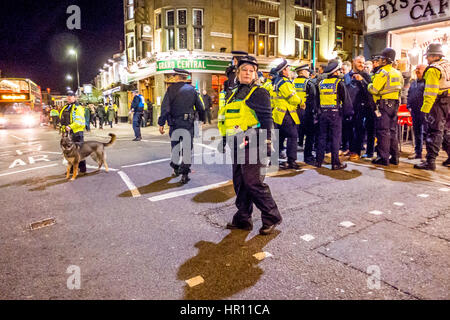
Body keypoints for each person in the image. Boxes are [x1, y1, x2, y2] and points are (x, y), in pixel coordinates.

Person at [217, 55, 282, 235]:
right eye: (244, 70)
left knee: (253, 182)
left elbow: (267, 119)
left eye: (251, 70)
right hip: (236, 143)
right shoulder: (232, 93)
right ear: (238, 73)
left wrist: (268, 143)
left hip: (254, 143)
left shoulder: (259, 93)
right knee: (240, 183)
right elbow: (227, 120)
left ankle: (272, 216)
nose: (247, 73)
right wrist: (224, 140)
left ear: (255, 74)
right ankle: (243, 218)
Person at [158, 68, 205, 184]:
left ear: (177, 77)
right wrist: (202, 120)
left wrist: (161, 123)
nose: (173, 78)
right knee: (187, 149)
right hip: (188, 124)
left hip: (175, 124)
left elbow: (165, 108)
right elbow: (200, 107)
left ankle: (175, 167)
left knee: (175, 147)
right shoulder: (192, 90)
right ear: (185, 78)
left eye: (174, 76)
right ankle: (185, 174)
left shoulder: (170, 90)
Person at [414, 43, 450, 170]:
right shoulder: (447, 66)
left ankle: (430, 162)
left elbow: (430, 92)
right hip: (448, 103)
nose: (427, 59)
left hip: (436, 104)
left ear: (434, 56)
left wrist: (425, 110)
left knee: (433, 132)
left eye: (428, 56)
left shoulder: (433, 70)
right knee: (445, 131)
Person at [368, 48, 404, 166]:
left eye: (381, 58)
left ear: (385, 60)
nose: (379, 60)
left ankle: (383, 158)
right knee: (392, 131)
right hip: (395, 105)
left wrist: (369, 85)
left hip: (383, 104)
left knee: (383, 131)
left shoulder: (382, 72)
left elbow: (374, 89)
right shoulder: (397, 73)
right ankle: (395, 157)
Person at [315, 60, 353, 170]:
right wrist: (348, 114)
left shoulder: (321, 84)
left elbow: (317, 101)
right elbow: (346, 100)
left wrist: (318, 113)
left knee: (322, 137)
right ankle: (335, 163)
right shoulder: (338, 83)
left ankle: (318, 161)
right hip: (335, 114)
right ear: (335, 72)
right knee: (335, 138)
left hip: (323, 114)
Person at [271, 59, 302, 169]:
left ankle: (274, 159)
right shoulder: (284, 82)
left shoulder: (276, 81)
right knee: (293, 136)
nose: (289, 70)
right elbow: (292, 97)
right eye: (288, 68)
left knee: (280, 137)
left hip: (278, 114)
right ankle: (291, 161)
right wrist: (301, 102)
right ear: (284, 71)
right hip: (286, 114)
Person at [344, 55, 372, 161]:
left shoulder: (365, 75)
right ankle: (351, 150)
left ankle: (356, 152)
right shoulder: (347, 76)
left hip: (361, 107)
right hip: (349, 107)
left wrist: (362, 81)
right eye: (360, 62)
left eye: (363, 63)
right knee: (349, 130)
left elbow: (370, 90)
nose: (362, 65)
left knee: (359, 130)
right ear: (353, 62)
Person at [293, 64, 319, 165]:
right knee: (309, 135)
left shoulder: (292, 82)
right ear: (303, 72)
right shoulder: (309, 83)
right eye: (307, 71)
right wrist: (315, 113)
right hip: (307, 113)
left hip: (295, 112)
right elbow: (313, 99)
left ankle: (292, 157)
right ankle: (308, 156)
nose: (309, 73)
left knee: (295, 135)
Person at [59, 92, 86, 174]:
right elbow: (62, 119)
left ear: (75, 97)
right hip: (68, 132)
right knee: (70, 151)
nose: (69, 98)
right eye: (68, 96)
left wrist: (71, 126)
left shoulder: (78, 107)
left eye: (71, 96)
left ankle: (82, 168)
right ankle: (71, 169)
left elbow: (80, 121)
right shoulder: (66, 107)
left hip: (77, 132)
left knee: (79, 151)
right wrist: (63, 129)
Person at [407, 65, 426, 160]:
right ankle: (418, 152)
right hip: (415, 111)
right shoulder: (413, 83)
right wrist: (408, 106)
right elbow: (409, 95)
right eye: (417, 69)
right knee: (417, 132)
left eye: (420, 69)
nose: (417, 71)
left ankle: (430, 156)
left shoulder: (427, 83)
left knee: (428, 133)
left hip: (425, 112)